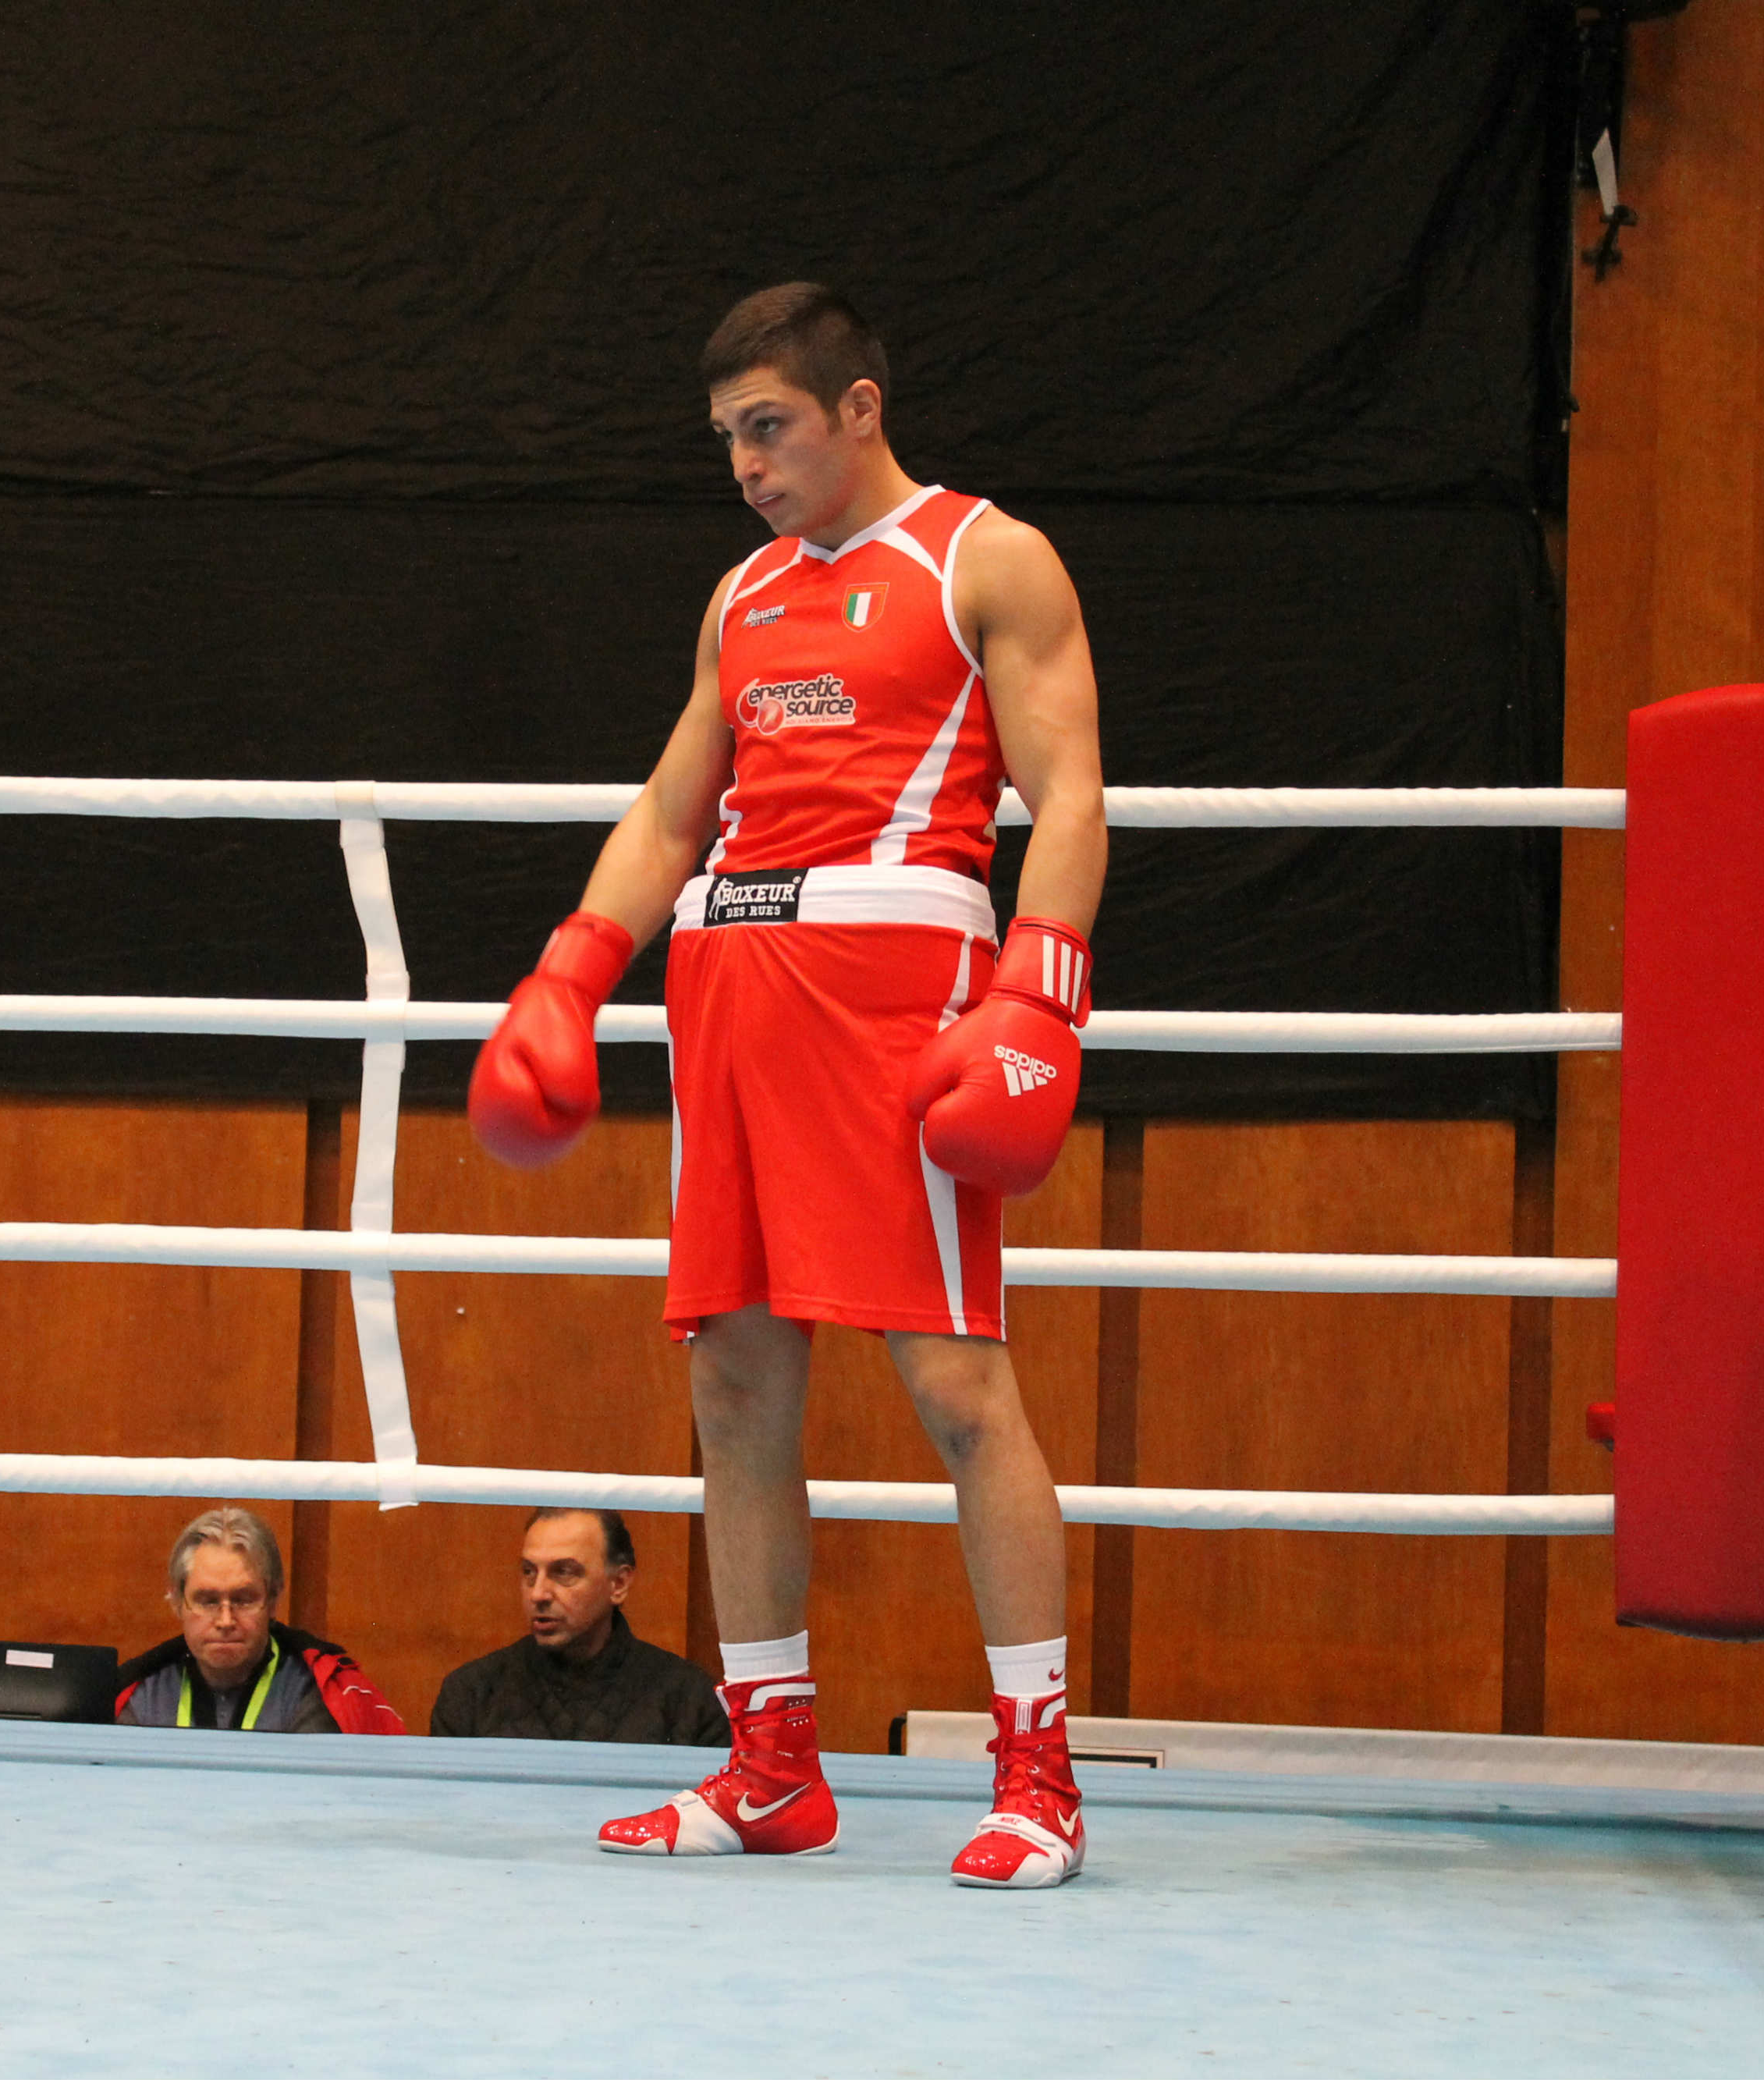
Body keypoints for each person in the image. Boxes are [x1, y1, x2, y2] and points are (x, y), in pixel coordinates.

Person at [469, 283, 1105, 1887]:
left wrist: (1043, 982)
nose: (746, 464)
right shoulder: (740, 599)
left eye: (769, 428)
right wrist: (568, 968)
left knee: (956, 1388)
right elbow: (672, 809)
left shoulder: (985, 557)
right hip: (730, 995)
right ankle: (769, 1768)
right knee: (734, 1390)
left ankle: (1035, 1776)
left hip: (900, 1002)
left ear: (859, 408)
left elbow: (1069, 783)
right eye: (727, 440)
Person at [429, 1507, 730, 1747]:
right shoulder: (471, 1694)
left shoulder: (690, 1699)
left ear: (619, 1584)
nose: (538, 1593)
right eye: (528, 1572)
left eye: (564, 1573)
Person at [114, 1507, 405, 1734]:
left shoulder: (315, 1695)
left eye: (243, 1599)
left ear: (274, 1600)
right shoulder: (140, 1699)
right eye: (208, 1601)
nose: (226, 1620)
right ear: (177, 1602)